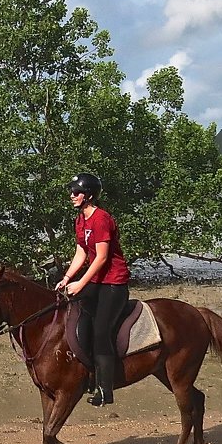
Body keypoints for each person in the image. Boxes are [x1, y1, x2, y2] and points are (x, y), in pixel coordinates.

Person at [54, 172, 130, 406]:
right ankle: (85, 374)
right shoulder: (80, 220)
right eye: (71, 192)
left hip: (113, 282)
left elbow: (102, 258)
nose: (72, 196)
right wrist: (67, 277)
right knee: (74, 316)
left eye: (76, 192)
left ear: (88, 195)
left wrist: (81, 283)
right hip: (96, 280)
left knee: (100, 331)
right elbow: (82, 253)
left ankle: (105, 390)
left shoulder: (101, 219)